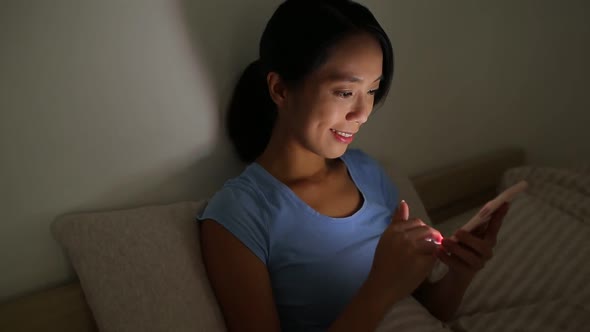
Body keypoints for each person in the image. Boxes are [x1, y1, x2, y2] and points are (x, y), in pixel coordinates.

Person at [197, 1, 509, 331]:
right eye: (346, 92)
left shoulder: (368, 173)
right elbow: (384, 295)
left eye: (372, 90)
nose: (362, 113)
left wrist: (461, 271)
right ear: (281, 89)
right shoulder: (238, 215)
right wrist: (379, 287)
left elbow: (429, 307)